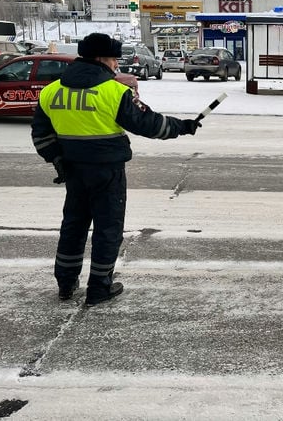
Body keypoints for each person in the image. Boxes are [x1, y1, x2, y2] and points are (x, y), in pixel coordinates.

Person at [31, 33, 201, 306]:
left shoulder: (52, 91)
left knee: (73, 227)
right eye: (113, 59)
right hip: (107, 171)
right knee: (107, 229)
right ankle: (99, 288)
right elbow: (149, 124)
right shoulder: (113, 91)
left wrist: (57, 160)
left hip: (73, 170)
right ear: (100, 58)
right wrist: (183, 127)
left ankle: (65, 284)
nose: (115, 66)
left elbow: (40, 133)